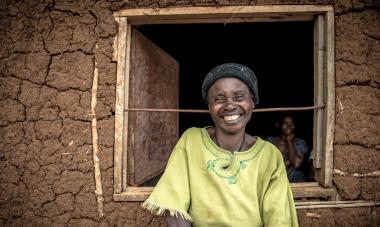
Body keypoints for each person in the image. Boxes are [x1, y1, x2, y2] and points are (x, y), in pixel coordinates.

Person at [142, 63, 298, 227]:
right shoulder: (192, 141)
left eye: (239, 97)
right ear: (210, 107)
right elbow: (173, 207)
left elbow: (279, 219)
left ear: (252, 102)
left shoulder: (269, 155)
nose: (230, 105)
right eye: (219, 99)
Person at [266, 115, 309, 183]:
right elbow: (268, 164)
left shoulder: (299, 142)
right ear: (278, 125)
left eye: (292, 123)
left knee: (298, 175)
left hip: (293, 179)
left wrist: (289, 141)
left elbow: (296, 164)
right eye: (285, 123)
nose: (289, 126)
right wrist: (287, 163)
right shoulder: (270, 141)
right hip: (275, 179)